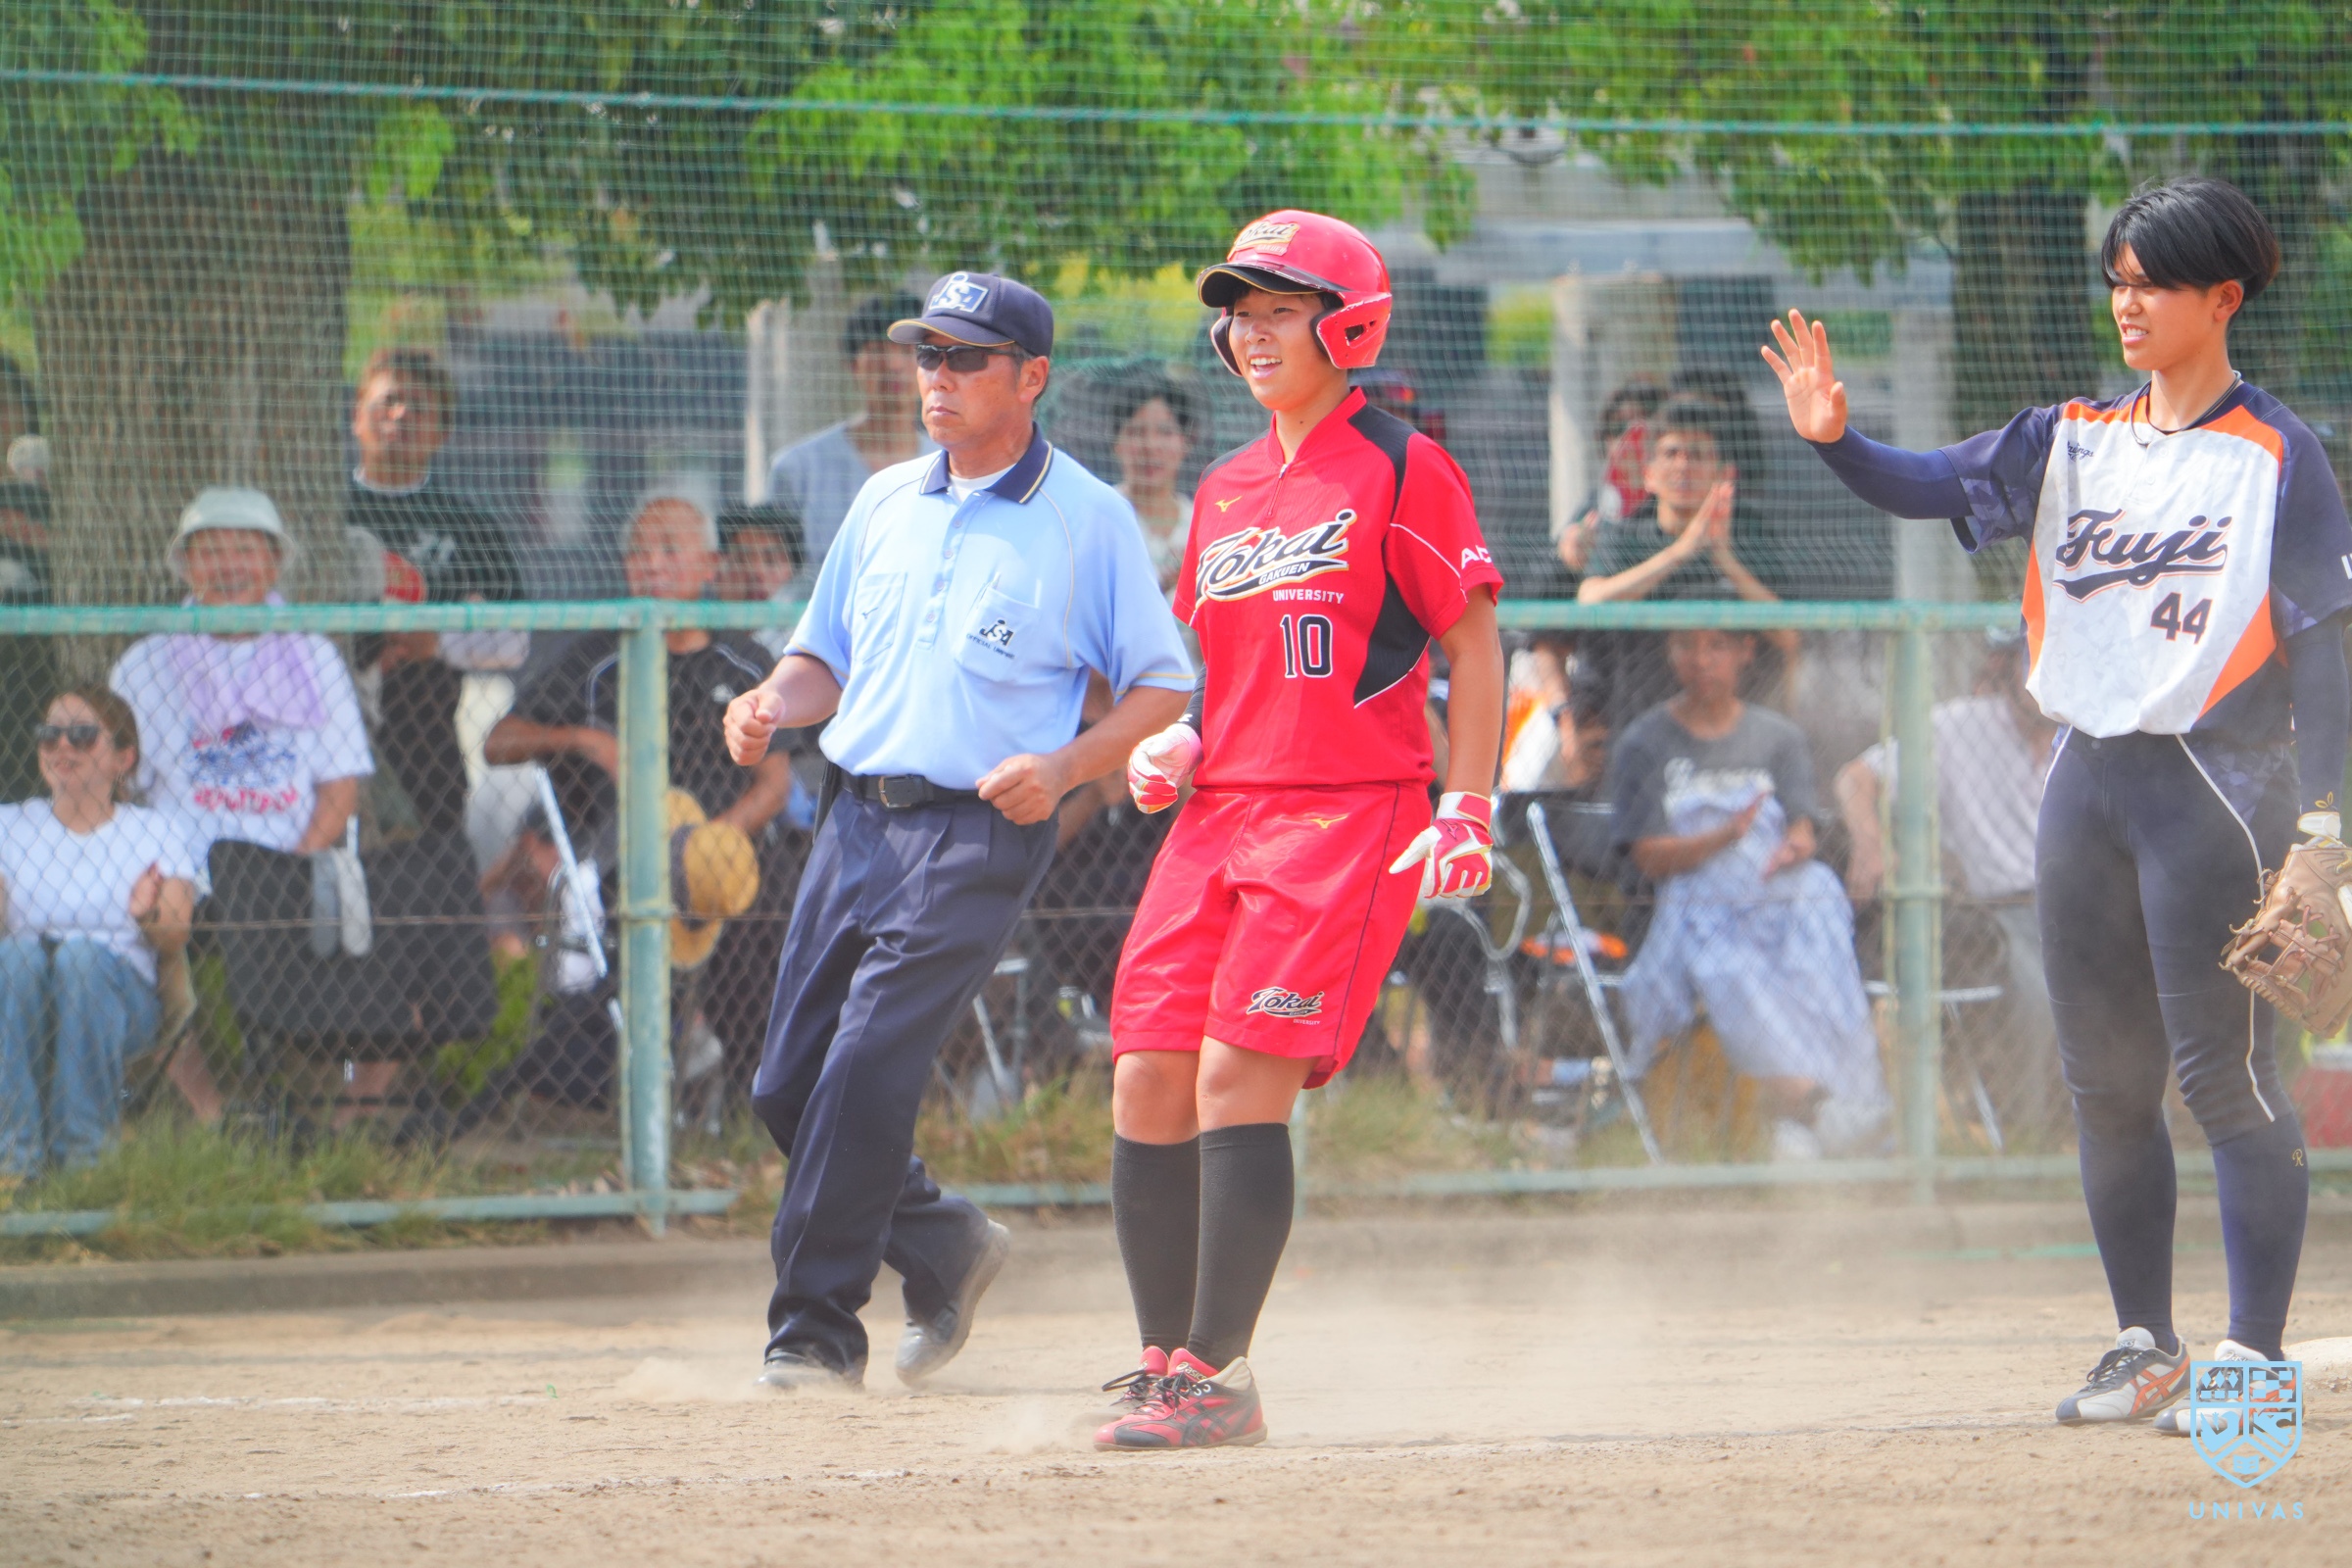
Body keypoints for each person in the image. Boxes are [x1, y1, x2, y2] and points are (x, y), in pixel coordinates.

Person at [1765, 175, 2352, 1427]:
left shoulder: (2278, 456)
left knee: (2228, 1079)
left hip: (2217, 788)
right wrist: (1834, 441)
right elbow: (1926, 481)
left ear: (2224, 298)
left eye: (2154, 283)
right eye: (2119, 282)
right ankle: (2145, 1345)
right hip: (2085, 783)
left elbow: (2326, 650)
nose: (2128, 304)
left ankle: (2252, 1362)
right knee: (2109, 1084)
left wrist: (2323, 829)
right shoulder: (2069, 438)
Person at [724, 269, 1191, 1393]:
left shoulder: (1087, 516)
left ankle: (814, 1331)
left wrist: (1067, 767)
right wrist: (773, 701)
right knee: (787, 1085)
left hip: (981, 827)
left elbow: (1163, 685)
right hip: (855, 820)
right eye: (927, 353)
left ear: (1032, 378)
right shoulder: (885, 497)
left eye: (966, 357)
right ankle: (944, 1243)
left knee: (865, 1064)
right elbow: (822, 657)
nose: (935, 375)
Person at [1097, 211, 1507, 1450]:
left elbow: (1472, 639)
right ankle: (1166, 1362)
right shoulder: (1224, 488)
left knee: (1236, 1074)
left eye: (1282, 309)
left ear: (1351, 325)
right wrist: (1181, 741)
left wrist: (1469, 804)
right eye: (1242, 314)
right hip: (1221, 811)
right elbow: (1223, 669)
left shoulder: (1402, 463)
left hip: (1348, 810)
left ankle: (1219, 1374)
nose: (1255, 334)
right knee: (1147, 1071)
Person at [1608, 627, 1889, 1161]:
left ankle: (1836, 1111)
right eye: (1688, 646)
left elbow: (1802, 827)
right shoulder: (1644, 743)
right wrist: (1723, 837)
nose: (1702, 660)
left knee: (1817, 903)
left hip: (1771, 900)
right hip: (1688, 910)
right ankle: (1811, 1105)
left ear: (1744, 652)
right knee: (1730, 965)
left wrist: (1792, 846)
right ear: (1670, 652)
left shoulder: (1777, 737)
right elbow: (1646, 856)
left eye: (1717, 646)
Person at [1836, 630, 2064, 1143]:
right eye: (2035, 657)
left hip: (2088, 907)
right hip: (1998, 911)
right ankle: (2031, 1136)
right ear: (2005, 665)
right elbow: (1855, 778)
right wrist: (1871, 845)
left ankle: (2136, 1132)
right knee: (2040, 993)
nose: (2048, 673)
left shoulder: (2093, 727)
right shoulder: (1958, 727)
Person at [0, 688, 196, 1175]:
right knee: (16, 958)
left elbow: (175, 934)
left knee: (81, 959)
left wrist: (147, 914)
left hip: (119, 998)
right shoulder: (9, 825)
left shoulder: (154, 830)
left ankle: (85, 1161)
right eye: (50, 735)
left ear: (122, 758)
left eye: (83, 735)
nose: (62, 746)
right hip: (23, 994)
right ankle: (14, 1160)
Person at [344, 346, 526, 836]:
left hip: (426, 751)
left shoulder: (468, 526)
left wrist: (438, 642)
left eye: (419, 407)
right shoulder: (322, 515)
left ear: (442, 433)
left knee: (434, 875)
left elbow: (515, 640)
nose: (401, 415)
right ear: (357, 416)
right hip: (325, 739)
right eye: (389, 401)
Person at [1574, 394, 1796, 736]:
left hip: (1739, 735)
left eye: (1697, 455)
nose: (1683, 466)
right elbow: (1590, 601)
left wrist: (1727, 562)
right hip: (1640, 727)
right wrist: (1679, 552)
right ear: (1648, 474)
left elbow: (1790, 636)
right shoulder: (1625, 533)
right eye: (1671, 453)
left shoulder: (1750, 534)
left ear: (1725, 475)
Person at [766, 292, 937, 565]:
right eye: (877, 350)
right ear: (853, 364)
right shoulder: (798, 470)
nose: (893, 365)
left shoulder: (955, 467)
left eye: (908, 351)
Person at [1108, 368, 1200, 591]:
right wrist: (1165, 584)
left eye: (1165, 432)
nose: (1150, 446)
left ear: (1186, 442)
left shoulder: (1199, 527)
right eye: (1137, 432)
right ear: (1116, 442)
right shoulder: (1102, 518)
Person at [718, 501, 808, 659]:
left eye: (771, 561)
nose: (755, 571)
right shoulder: (703, 636)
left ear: (794, 571)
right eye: (741, 559)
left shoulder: (804, 644)